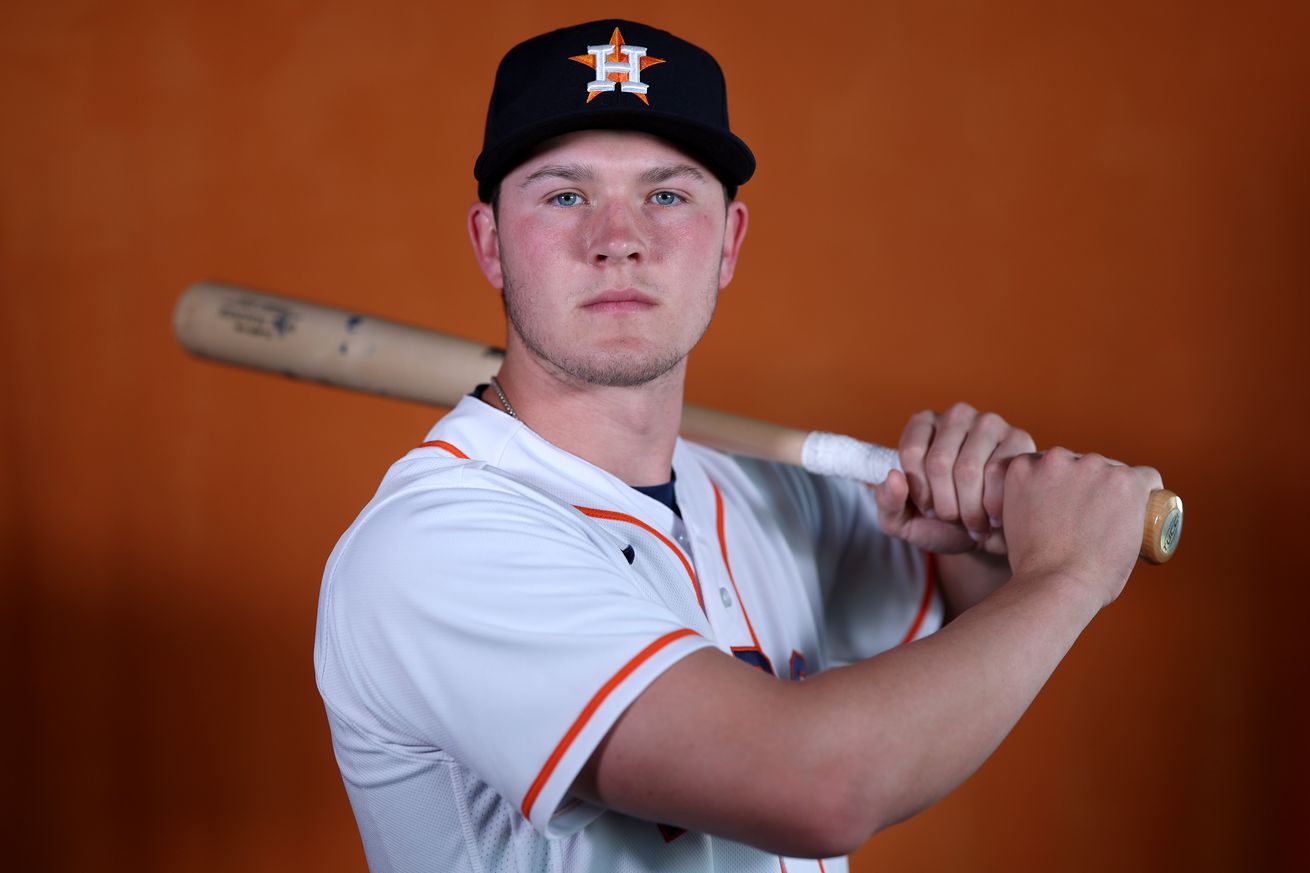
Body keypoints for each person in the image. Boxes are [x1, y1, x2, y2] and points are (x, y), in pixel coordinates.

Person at [314, 19, 1161, 873]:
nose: (619, 236)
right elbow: (820, 786)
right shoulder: (436, 544)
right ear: (492, 244)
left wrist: (988, 536)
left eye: (668, 195)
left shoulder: (771, 493)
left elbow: (955, 635)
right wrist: (1070, 574)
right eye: (564, 194)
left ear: (730, 244)